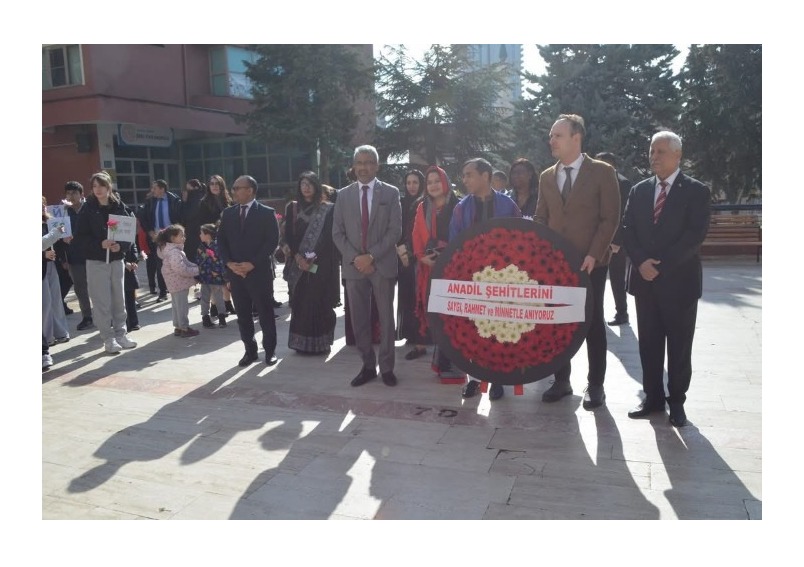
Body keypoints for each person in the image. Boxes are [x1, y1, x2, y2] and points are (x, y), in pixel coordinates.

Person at [622, 131, 711, 427]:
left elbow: (694, 237)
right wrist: (640, 262)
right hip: (644, 282)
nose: (654, 156)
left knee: (679, 346)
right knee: (648, 344)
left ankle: (677, 402)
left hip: (679, 284)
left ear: (677, 156)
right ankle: (653, 398)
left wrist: (660, 265)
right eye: (651, 151)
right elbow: (628, 229)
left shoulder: (696, 191)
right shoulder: (640, 190)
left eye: (661, 151)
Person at [534, 114, 620, 410]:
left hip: (590, 263)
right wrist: (541, 253)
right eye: (550, 136)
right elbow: (541, 217)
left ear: (576, 138)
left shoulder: (602, 172)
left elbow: (610, 217)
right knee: (559, 322)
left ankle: (596, 384)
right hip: (556, 265)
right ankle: (562, 379)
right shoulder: (546, 176)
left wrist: (594, 253)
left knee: (593, 322)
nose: (551, 141)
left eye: (557, 135)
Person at [450, 158, 522, 400]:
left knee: (499, 330)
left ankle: (498, 379)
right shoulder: (461, 208)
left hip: (502, 279)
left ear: (485, 176)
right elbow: (454, 244)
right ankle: (474, 378)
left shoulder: (507, 205)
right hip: (472, 280)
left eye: (469, 174)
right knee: (473, 331)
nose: (465, 179)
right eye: (464, 175)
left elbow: (520, 239)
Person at [332, 144, 402, 387]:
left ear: (377, 165)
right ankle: (368, 365)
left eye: (368, 162)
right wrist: (357, 259)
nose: (363, 167)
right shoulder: (343, 195)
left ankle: (387, 367)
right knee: (358, 319)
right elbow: (337, 233)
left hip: (382, 265)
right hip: (354, 268)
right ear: (354, 166)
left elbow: (395, 231)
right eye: (359, 163)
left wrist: (371, 256)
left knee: (386, 318)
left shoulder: (391, 193)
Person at [218, 175, 280, 367]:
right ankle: (249, 351)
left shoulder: (266, 213)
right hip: (236, 274)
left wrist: (252, 263)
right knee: (243, 315)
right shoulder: (228, 214)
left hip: (259, 272)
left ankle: (269, 351)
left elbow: (272, 242)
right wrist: (229, 263)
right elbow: (221, 241)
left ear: (250, 190)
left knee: (265, 313)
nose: (234, 191)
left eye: (238, 188)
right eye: (234, 188)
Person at [74, 171, 138, 354]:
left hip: (116, 260)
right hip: (96, 262)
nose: (98, 190)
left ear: (109, 187)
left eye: (101, 185)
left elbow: (128, 231)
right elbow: (80, 239)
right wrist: (99, 244)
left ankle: (121, 335)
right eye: (94, 186)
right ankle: (108, 339)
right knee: (101, 301)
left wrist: (122, 247)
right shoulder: (88, 209)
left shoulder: (119, 206)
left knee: (120, 300)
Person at [412, 166, 460, 377]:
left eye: (437, 180)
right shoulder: (422, 207)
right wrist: (422, 256)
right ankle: (443, 361)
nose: (433, 185)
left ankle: (453, 360)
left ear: (445, 182)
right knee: (437, 316)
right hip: (429, 268)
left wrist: (448, 258)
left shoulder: (458, 205)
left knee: (452, 315)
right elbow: (416, 235)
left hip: (454, 269)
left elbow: (464, 234)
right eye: (429, 182)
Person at [284, 172, 339, 354]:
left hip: (320, 264)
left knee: (318, 302)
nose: (306, 187)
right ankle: (300, 343)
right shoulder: (292, 208)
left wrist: (310, 257)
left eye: (309, 184)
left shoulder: (327, 209)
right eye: (302, 184)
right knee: (300, 302)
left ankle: (320, 343)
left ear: (316, 186)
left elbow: (327, 238)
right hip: (298, 264)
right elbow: (288, 237)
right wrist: (299, 258)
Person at [595, 152, 633, 326]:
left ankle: (622, 313)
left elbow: (622, 215)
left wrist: (616, 241)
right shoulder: (594, 182)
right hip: (596, 239)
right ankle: (595, 312)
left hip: (615, 242)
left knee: (617, 278)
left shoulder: (623, 183)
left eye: (605, 164)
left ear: (613, 166)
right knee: (597, 278)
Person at [397, 169, 427, 358]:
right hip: (402, 255)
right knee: (406, 295)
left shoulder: (425, 203)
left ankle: (421, 337)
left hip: (419, 256)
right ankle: (409, 334)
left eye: (415, 182)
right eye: (408, 182)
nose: (412, 186)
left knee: (419, 296)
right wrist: (400, 248)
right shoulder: (401, 202)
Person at [140, 179, 183, 302]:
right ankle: (162, 292)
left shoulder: (174, 200)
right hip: (157, 236)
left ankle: (176, 288)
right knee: (160, 265)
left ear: (162, 189)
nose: (152, 190)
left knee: (175, 263)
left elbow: (180, 217)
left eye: (154, 188)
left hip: (171, 236)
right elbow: (143, 217)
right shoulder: (150, 201)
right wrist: (150, 231)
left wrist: (178, 234)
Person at [155, 224, 200, 338]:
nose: (184, 238)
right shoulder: (174, 252)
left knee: (176, 306)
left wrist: (196, 267)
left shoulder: (170, 250)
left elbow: (185, 263)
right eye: (181, 236)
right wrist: (197, 270)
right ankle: (184, 328)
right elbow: (181, 269)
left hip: (173, 283)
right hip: (178, 283)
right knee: (182, 307)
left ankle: (178, 327)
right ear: (172, 238)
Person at [202, 175, 236, 316]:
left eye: (217, 184)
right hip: (212, 243)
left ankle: (227, 303)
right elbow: (203, 226)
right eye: (212, 184)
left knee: (227, 275)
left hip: (228, 242)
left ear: (222, 186)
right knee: (215, 277)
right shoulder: (204, 203)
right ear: (208, 186)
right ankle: (215, 306)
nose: (214, 186)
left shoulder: (229, 202)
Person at [63, 181, 94, 330]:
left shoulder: (91, 208)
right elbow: (56, 238)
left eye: (74, 193)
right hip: (74, 257)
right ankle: (87, 317)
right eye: (68, 193)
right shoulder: (62, 212)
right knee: (80, 289)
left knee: (97, 287)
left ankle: (105, 316)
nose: (71, 196)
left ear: (81, 194)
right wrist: (63, 258)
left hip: (93, 255)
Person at [42, 198, 70, 347]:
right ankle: (47, 336)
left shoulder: (48, 222)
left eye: (43, 204)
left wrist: (65, 238)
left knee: (56, 299)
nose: (42, 207)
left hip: (51, 265)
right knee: (45, 303)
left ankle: (60, 331)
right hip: (41, 266)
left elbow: (54, 241)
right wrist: (43, 255)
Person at [43, 221, 67, 370]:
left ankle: (45, 347)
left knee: (50, 302)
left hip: (46, 266)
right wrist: (56, 232)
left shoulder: (46, 223)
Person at [196, 223, 228, 329]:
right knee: (204, 298)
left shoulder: (217, 246)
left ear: (208, 234)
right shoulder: (201, 246)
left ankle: (222, 317)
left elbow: (222, 261)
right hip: (205, 277)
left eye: (201, 233)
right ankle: (205, 317)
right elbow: (199, 260)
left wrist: (217, 271)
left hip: (216, 277)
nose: (199, 235)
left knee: (218, 297)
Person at [123, 232, 141, 332]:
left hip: (129, 271)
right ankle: (124, 323)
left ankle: (134, 322)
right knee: (121, 300)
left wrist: (134, 261)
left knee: (130, 297)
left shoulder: (128, 234)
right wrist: (125, 263)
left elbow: (134, 248)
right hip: (118, 268)